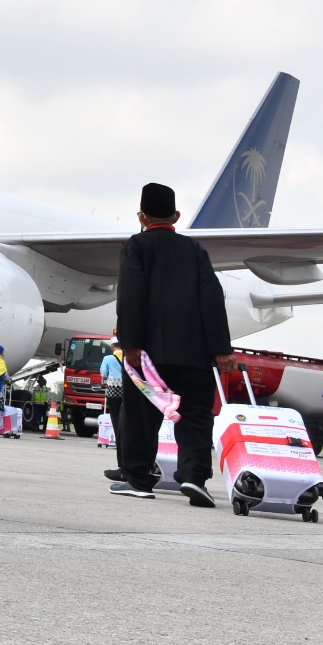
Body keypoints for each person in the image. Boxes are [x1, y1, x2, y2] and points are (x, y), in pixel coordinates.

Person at [110, 182, 232, 505]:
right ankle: (194, 479)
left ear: (141, 216)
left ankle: (138, 479)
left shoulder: (136, 246)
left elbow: (131, 297)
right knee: (196, 416)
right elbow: (212, 299)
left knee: (140, 415)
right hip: (194, 354)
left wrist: (130, 344)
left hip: (148, 354)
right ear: (176, 216)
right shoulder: (195, 250)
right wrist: (221, 349)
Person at [100, 341, 127, 480]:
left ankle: (122, 463)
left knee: (117, 423)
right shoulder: (128, 356)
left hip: (113, 392)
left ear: (112, 346)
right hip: (127, 390)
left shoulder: (108, 358)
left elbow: (103, 374)